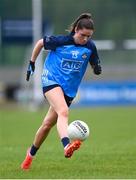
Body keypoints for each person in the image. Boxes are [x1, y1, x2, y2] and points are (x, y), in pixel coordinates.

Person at [21, 13, 102, 170]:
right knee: (63, 112)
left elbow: (95, 64)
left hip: (69, 90)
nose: (85, 39)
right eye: (83, 35)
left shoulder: (90, 46)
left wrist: (97, 67)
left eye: (89, 36)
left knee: (46, 126)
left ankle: (29, 156)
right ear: (76, 30)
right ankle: (66, 146)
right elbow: (39, 43)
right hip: (51, 80)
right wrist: (32, 63)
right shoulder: (61, 41)